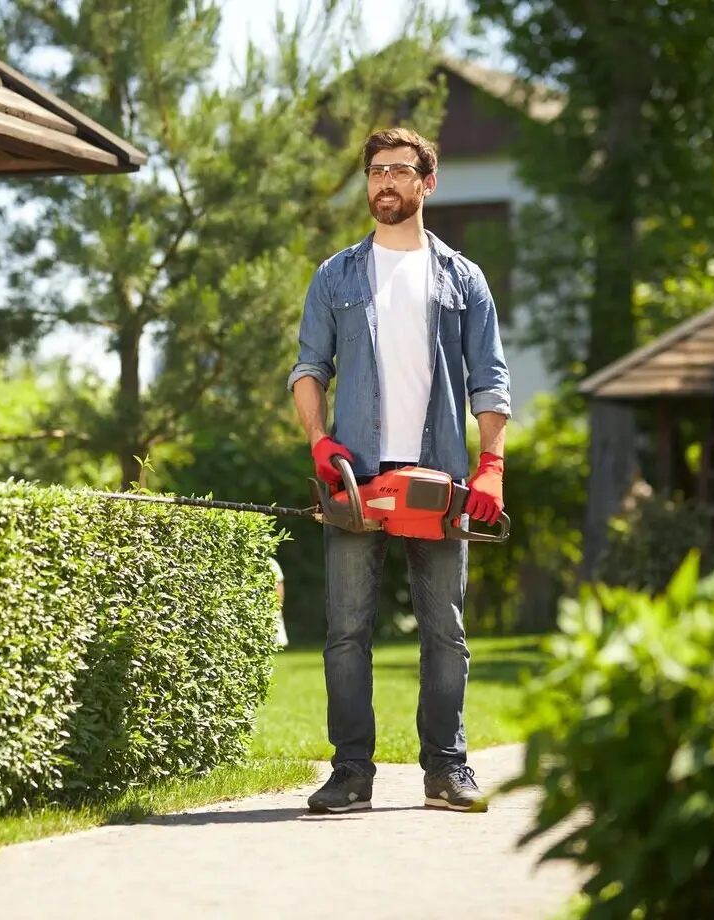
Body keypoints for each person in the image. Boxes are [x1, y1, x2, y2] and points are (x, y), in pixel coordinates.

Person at [286, 127, 510, 814]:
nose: (384, 182)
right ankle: (351, 771)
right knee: (347, 630)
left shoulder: (463, 278)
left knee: (445, 631)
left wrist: (492, 465)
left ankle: (446, 768)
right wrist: (320, 443)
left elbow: (491, 380)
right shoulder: (336, 275)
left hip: (440, 477)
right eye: (375, 170)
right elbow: (307, 368)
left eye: (398, 171)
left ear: (426, 183)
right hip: (356, 480)